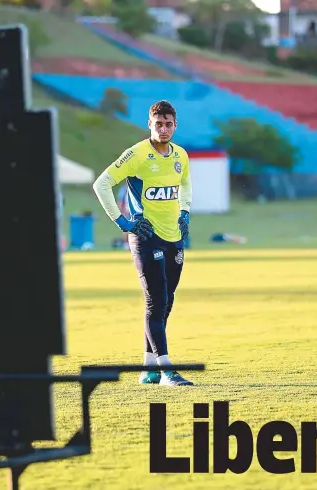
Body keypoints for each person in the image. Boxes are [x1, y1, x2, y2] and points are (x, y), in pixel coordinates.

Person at [92, 100, 194, 386]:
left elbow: (185, 183)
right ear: (149, 124)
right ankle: (167, 371)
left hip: (174, 236)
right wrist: (123, 222)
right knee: (156, 301)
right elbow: (102, 184)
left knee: (166, 302)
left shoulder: (181, 156)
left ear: (175, 125)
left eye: (168, 124)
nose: (163, 129)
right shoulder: (136, 154)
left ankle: (149, 368)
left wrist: (185, 210)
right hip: (146, 237)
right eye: (158, 124)